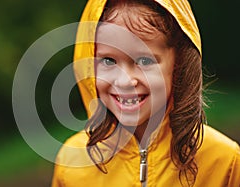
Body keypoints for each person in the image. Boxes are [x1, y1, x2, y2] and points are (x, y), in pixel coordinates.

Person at [51, 0, 240, 186]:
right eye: (108, 61)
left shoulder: (224, 163)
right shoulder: (71, 164)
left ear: (179, 63)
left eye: (144, 61)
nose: (125, 82)